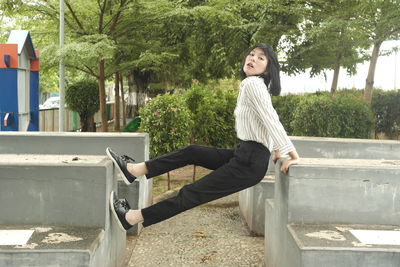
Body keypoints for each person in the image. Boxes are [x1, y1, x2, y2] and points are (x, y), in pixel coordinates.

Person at [107, 43, 300, 231]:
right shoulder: (252, 85)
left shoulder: (253, 85)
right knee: (193, 152)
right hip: (245, 154)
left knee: (192, 193)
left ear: (267, 70)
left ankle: (131, 217)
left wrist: (291, 154)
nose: (252, 59)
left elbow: (271, 120)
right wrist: (275, 149)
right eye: (251, 54)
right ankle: (134, 170)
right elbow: (263, 123)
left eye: (260, 58)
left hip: (249, 162)